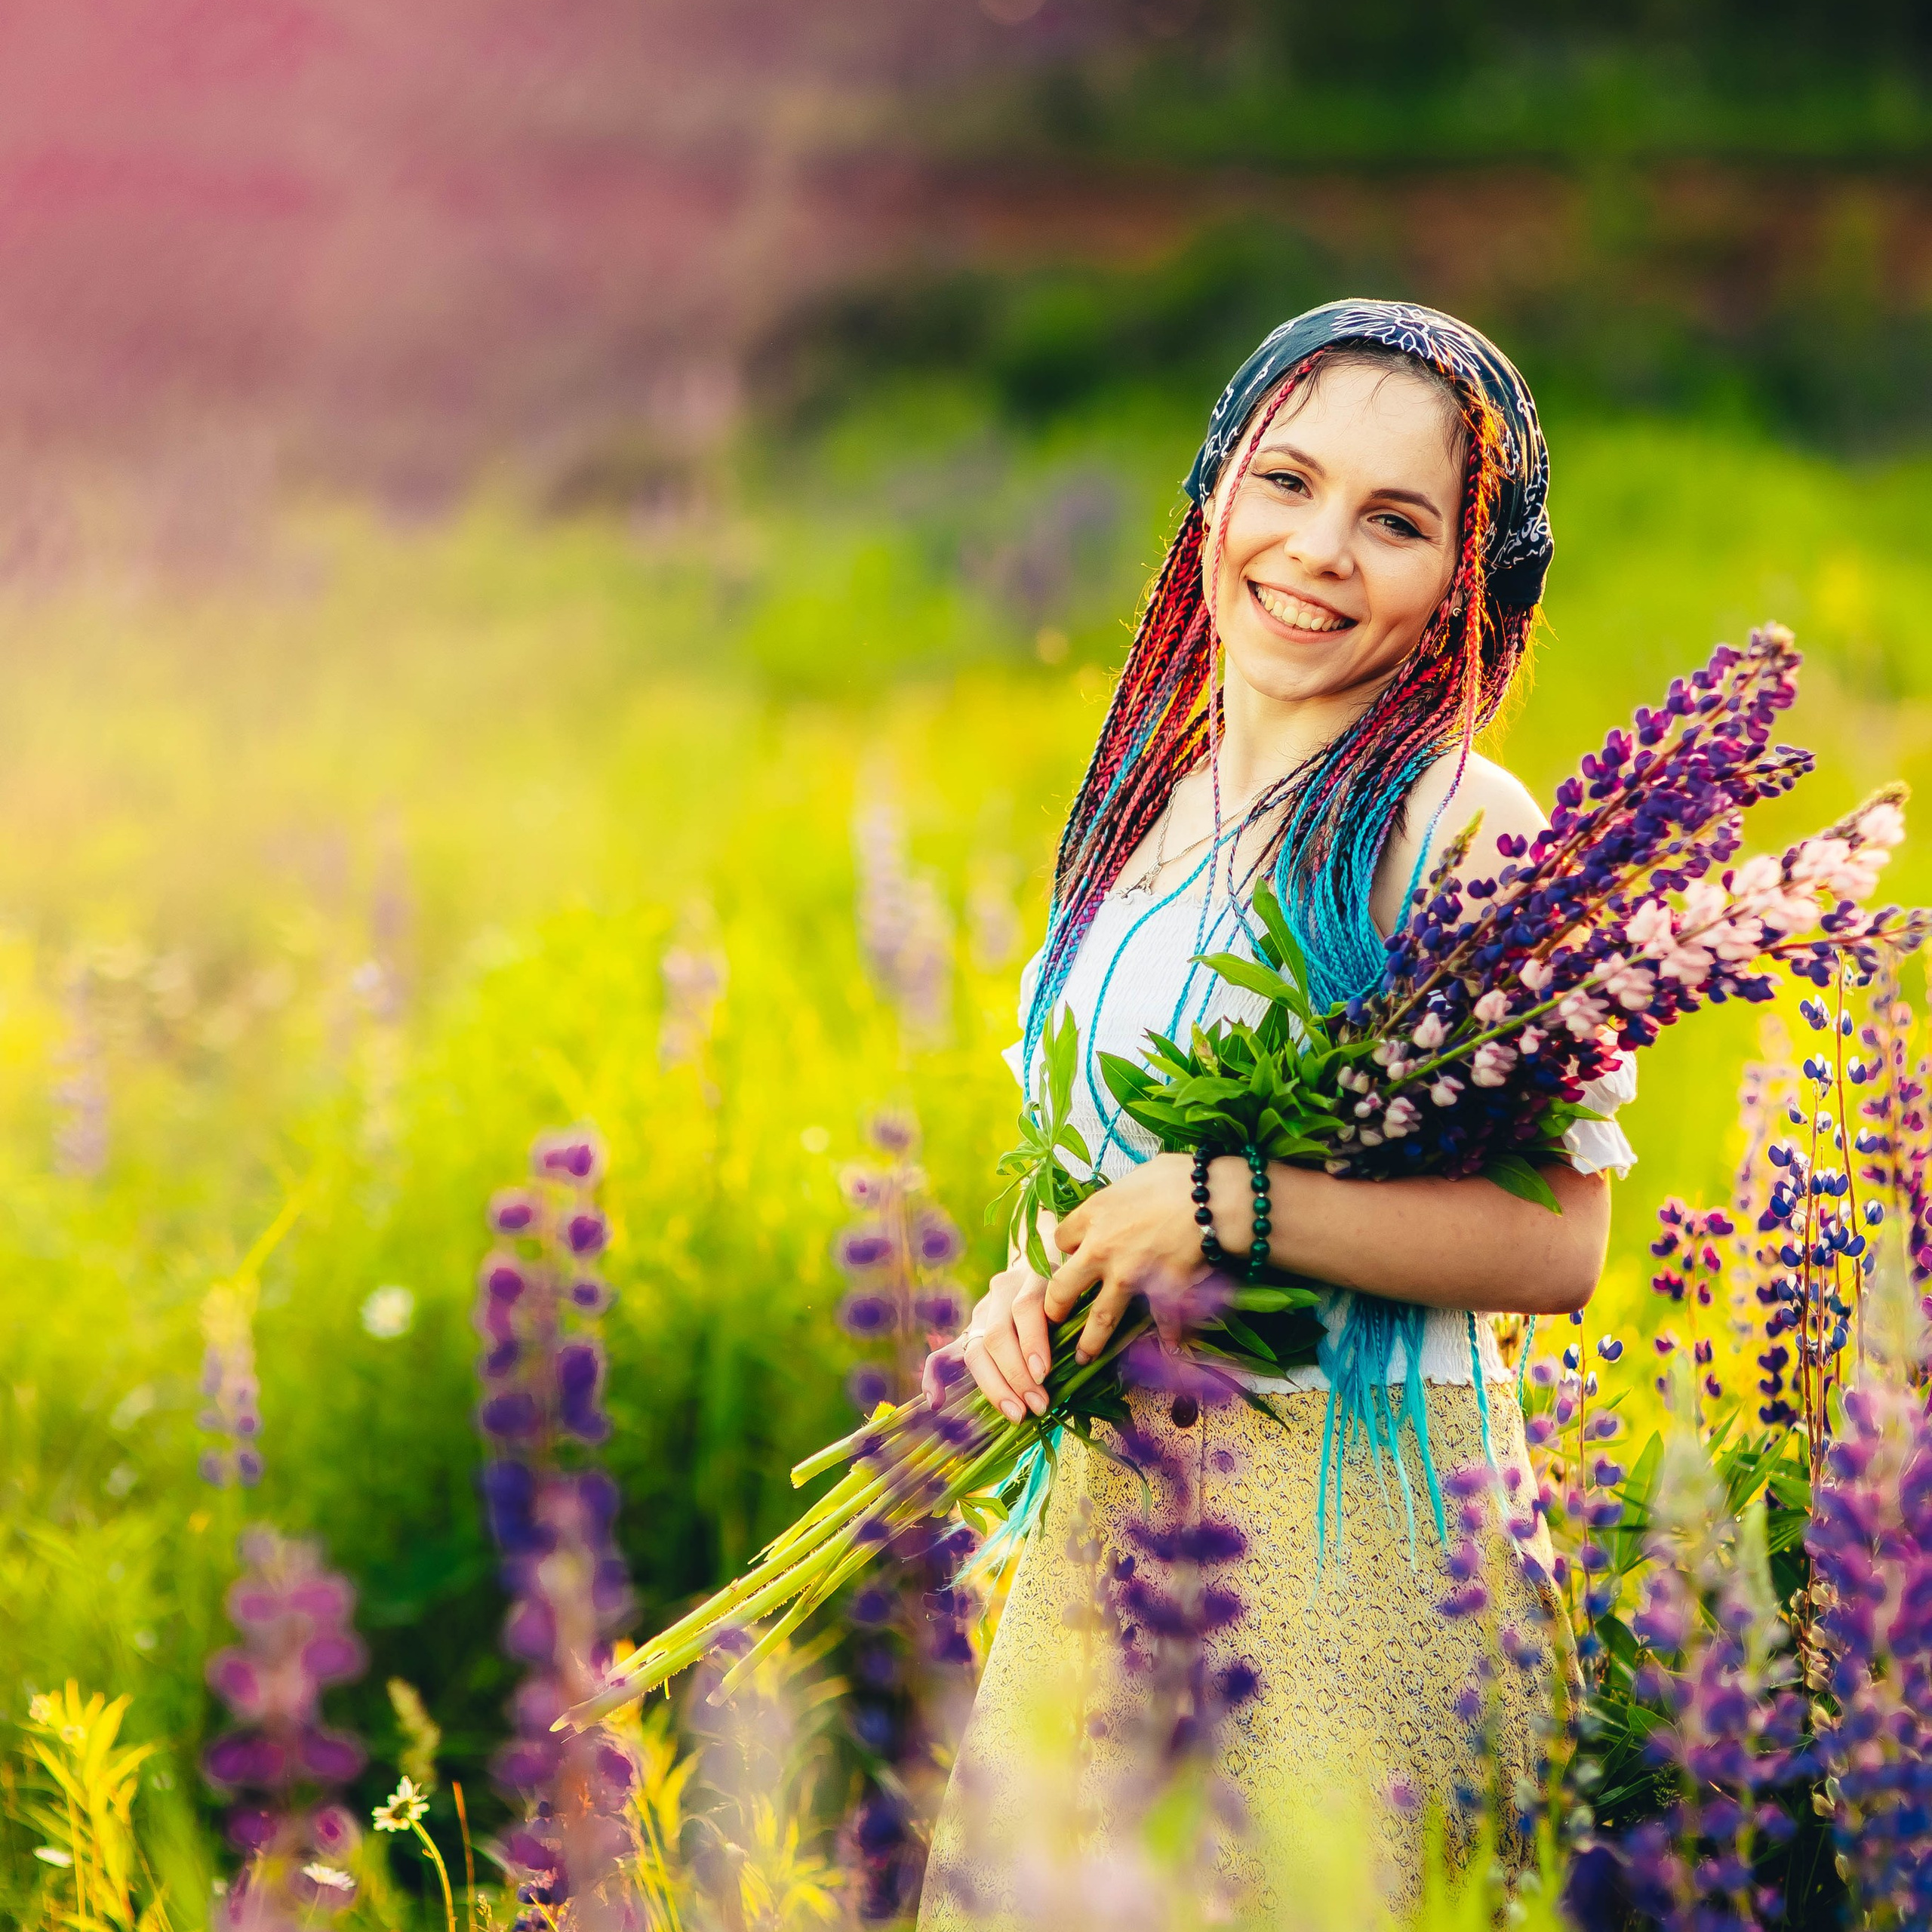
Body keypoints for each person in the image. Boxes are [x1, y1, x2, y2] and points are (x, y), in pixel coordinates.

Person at [915, 300, 1635, 1924]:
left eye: (1392, 520)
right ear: (1209, 495)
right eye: (1284, 481)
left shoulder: (1464, 827)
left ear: (1466, 573)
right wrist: (1020, 1293)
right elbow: (1103, 1169)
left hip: (1350, 1548)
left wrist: (1234, 1207)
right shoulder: (1147, 810)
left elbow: (1559, 1242)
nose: (1316, 549)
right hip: (1112, 1524)